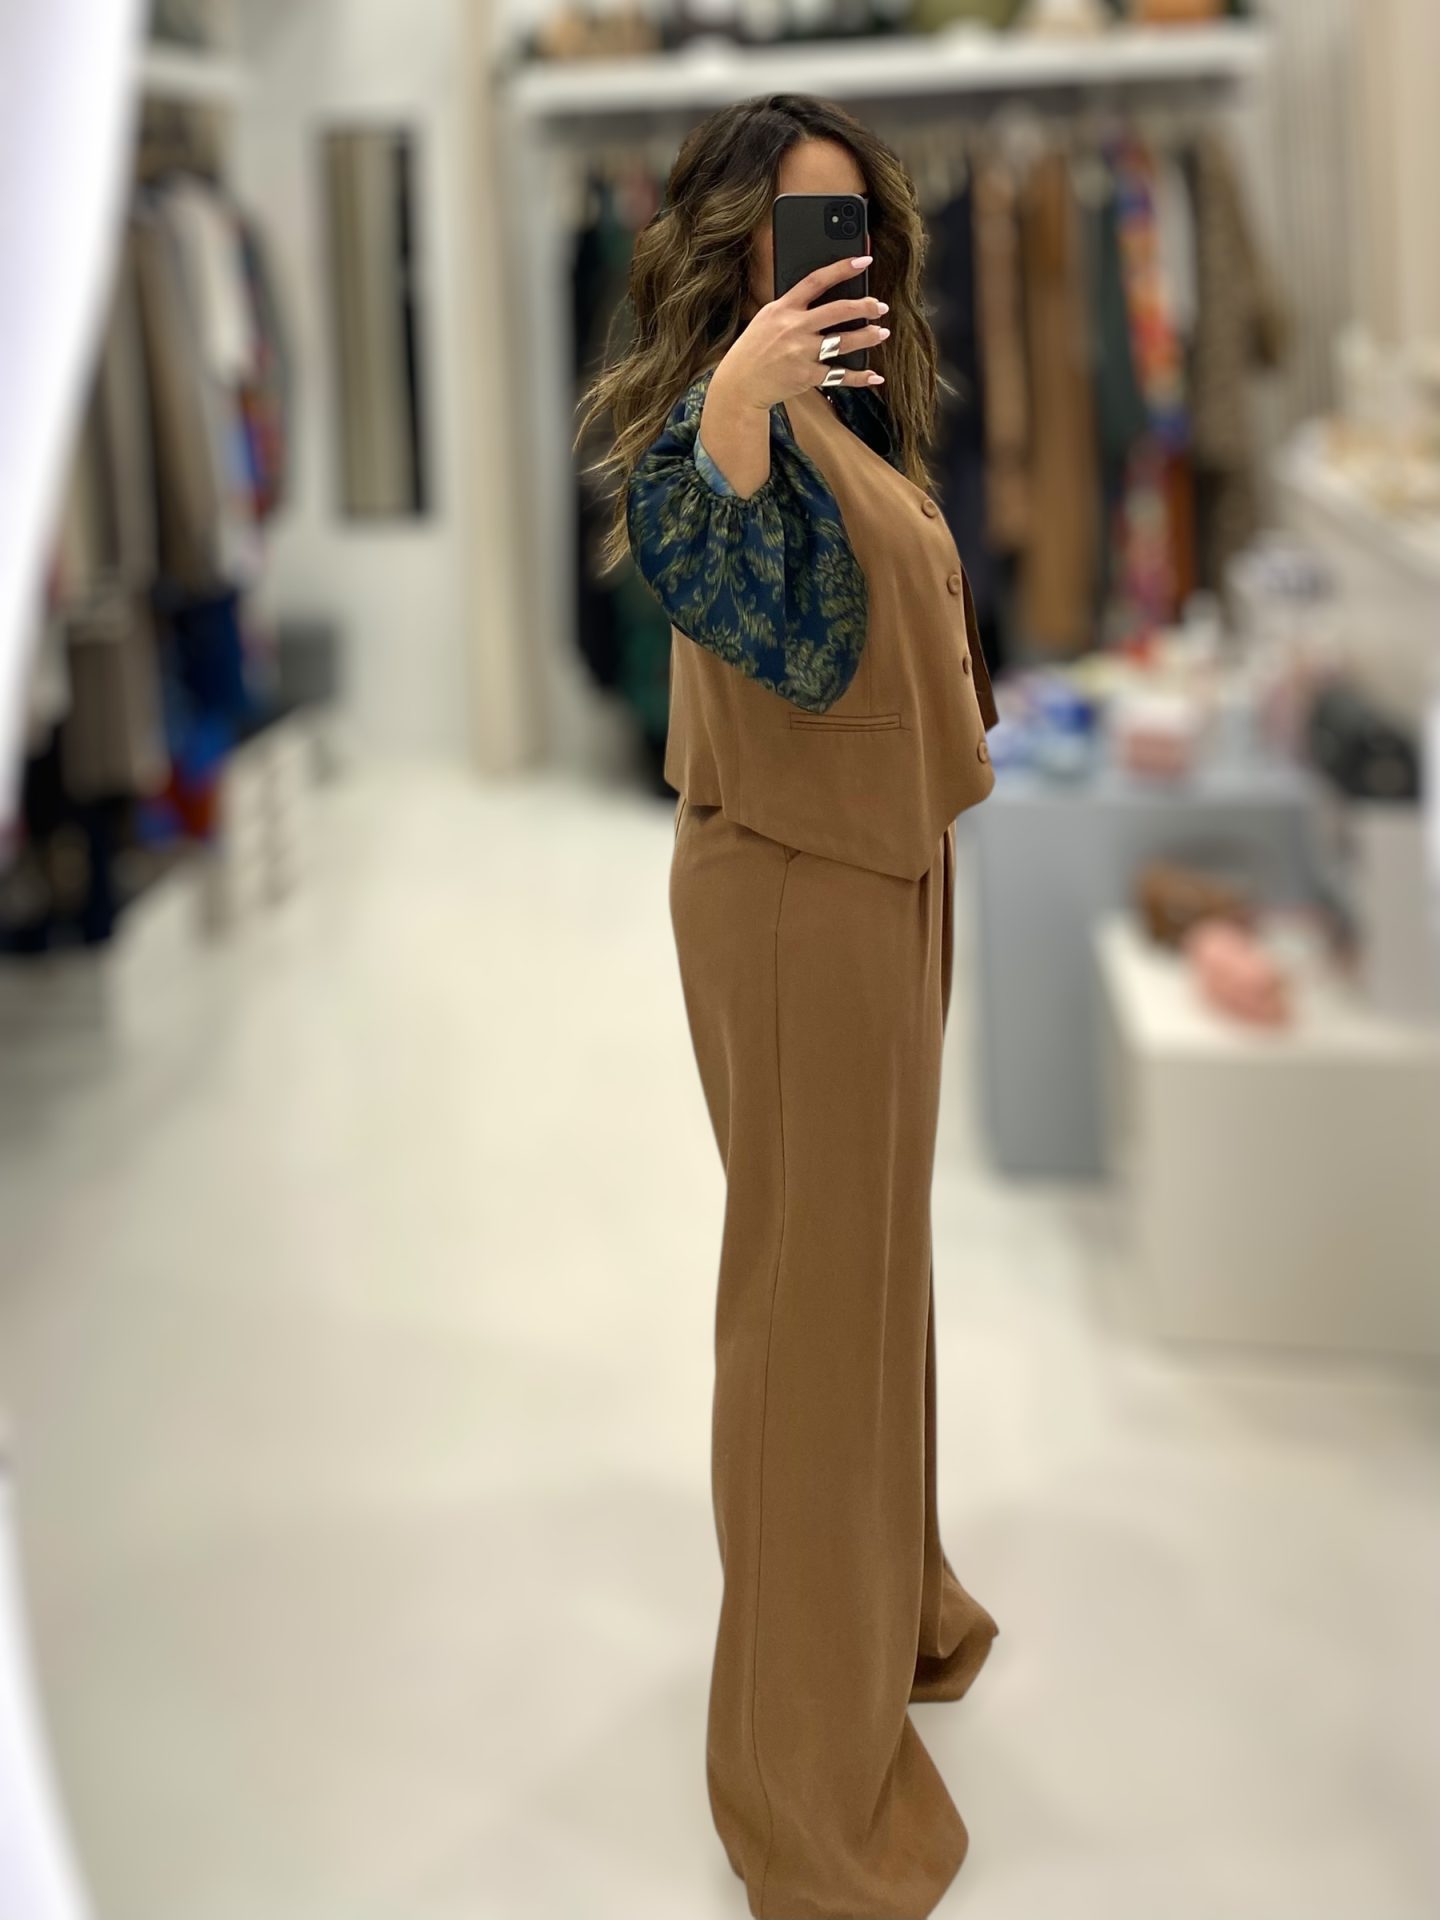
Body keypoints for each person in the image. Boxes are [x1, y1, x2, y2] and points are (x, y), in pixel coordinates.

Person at [577, 92, 1002, 1920]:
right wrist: (739, 399)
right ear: (727, 246)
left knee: (875, 1288)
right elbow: (713, 564)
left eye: (853, 227)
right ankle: (796, 1799)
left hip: (884, 872)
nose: (833, 260)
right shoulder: (714, 433)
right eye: (794, 229)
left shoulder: (848, 411)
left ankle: (885, 1613)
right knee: (807, 1328)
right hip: (793, 900)